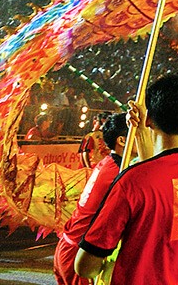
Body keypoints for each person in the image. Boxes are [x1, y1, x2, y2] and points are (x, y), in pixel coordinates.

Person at [74, 73, 178, 285]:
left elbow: (85, 266)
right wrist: (141, 130)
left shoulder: (132, 182)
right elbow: (161, 174)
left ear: (149, 118)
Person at [53, 113, 133, 285]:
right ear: (122, 140)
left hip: (68, 247)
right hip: (79, 254)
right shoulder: (118, 173)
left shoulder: (107, 163)